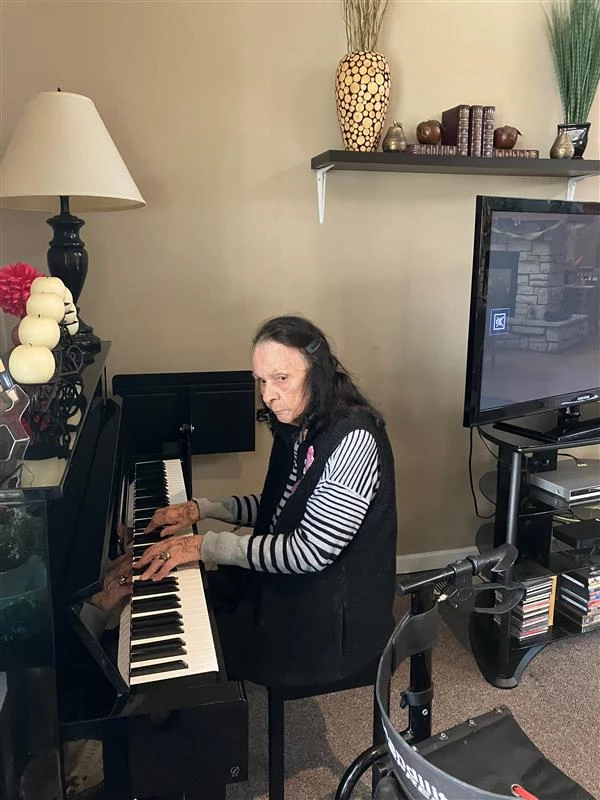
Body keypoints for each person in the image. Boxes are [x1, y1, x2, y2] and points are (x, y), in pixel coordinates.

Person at [135, 315, 397, 687]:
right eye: (261, 381)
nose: (268, 395)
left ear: (317, 372)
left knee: (195, 648)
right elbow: (281, 505)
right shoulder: (300, 426)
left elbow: (309, 551)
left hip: (335, 623)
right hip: (294, 588)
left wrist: (204, 544)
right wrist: (203, 509)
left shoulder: (353, 440)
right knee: (202, 595)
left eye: (281, 379)